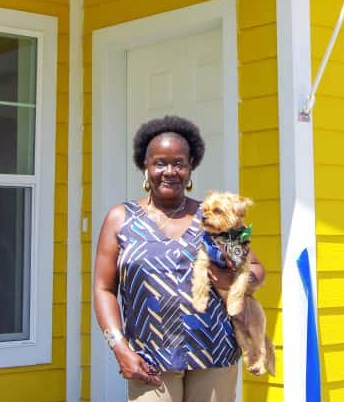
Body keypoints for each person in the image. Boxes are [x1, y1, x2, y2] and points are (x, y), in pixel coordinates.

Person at [94, 115, 266, 402]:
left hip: (215, 354)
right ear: (145, 167)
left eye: (179, 163)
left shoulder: (213, 217)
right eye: (159, 163)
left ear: (190, 169)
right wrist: (119, 346)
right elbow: (103, 289)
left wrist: (232, 279)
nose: (169, 171)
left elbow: (257, 270)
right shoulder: (120, 219)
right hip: (150, 360)